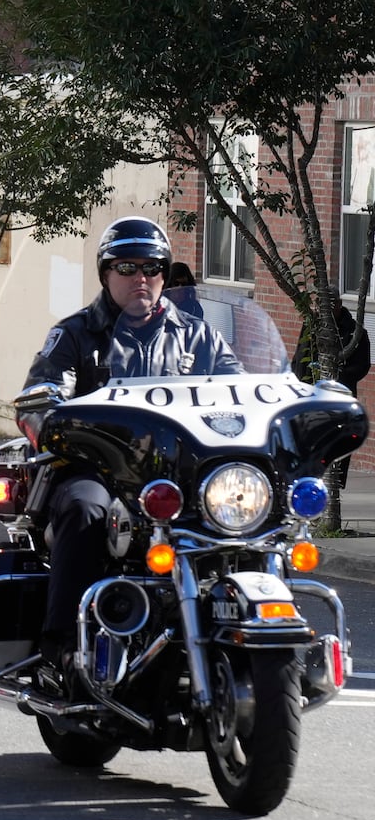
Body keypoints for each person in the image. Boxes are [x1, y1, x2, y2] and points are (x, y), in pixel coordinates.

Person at [19, 216, 244, 668]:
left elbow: (240, 391)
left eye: (152, 267)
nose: (141, 278)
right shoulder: (77, 334)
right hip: (98, 469)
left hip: (179, 474)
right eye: (127, 268)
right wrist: (53, 423)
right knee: (86, 508)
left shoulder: (198, 335)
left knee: (245, 516)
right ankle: (63, 643)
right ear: (106, 273)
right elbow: (38, 399)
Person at [292, 299, 370, 486]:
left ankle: (333, 484)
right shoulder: (311, 326)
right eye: (319, 305)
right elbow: (300, 356)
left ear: (338, 305)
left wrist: (336, 375)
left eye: (327, 305)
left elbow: (361, 366)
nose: (322, 310)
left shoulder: (353, 331)